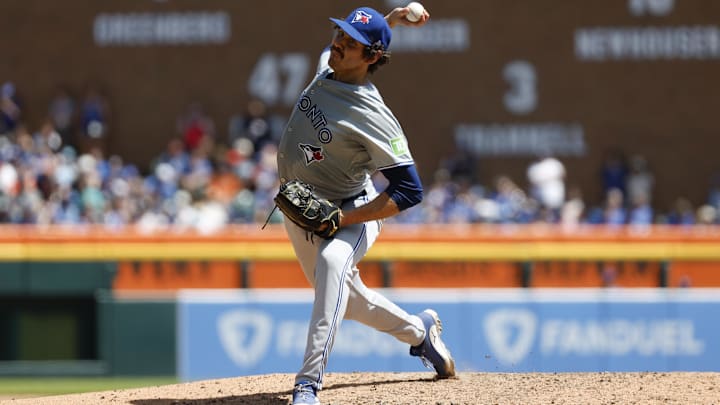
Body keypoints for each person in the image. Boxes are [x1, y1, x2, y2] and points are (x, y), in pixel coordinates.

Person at [274, 5, 455, 405]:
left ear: (371, 57)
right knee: (348, 301)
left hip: (350, 207)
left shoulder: (373, 115)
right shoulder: (329, 67)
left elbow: (409, 189)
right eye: (340, 35)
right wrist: (389, 20)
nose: (338, 44)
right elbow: (354, 43)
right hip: (300, 208)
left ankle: (307, 385)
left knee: (334, 264)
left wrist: (344, 219)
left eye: (350, 43)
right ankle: (420, 333)